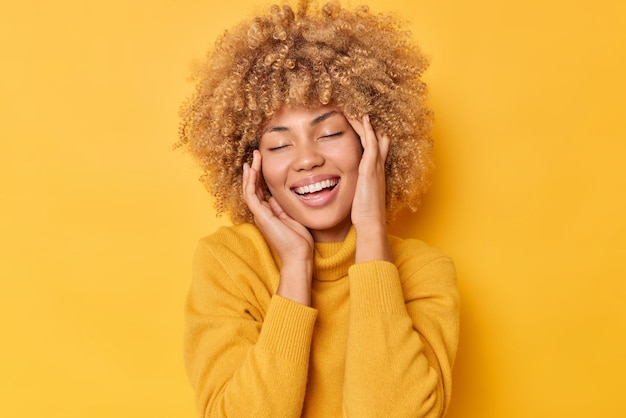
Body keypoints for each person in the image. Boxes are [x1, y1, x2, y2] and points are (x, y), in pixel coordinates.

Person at [178, 1, 459, 416]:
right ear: (253, 164)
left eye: (328, 133)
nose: (306, 159)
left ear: (372, 141)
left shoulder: (423, 273)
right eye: (278, 144)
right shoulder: (230, 263)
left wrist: (370, 228)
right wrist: (296, 268)